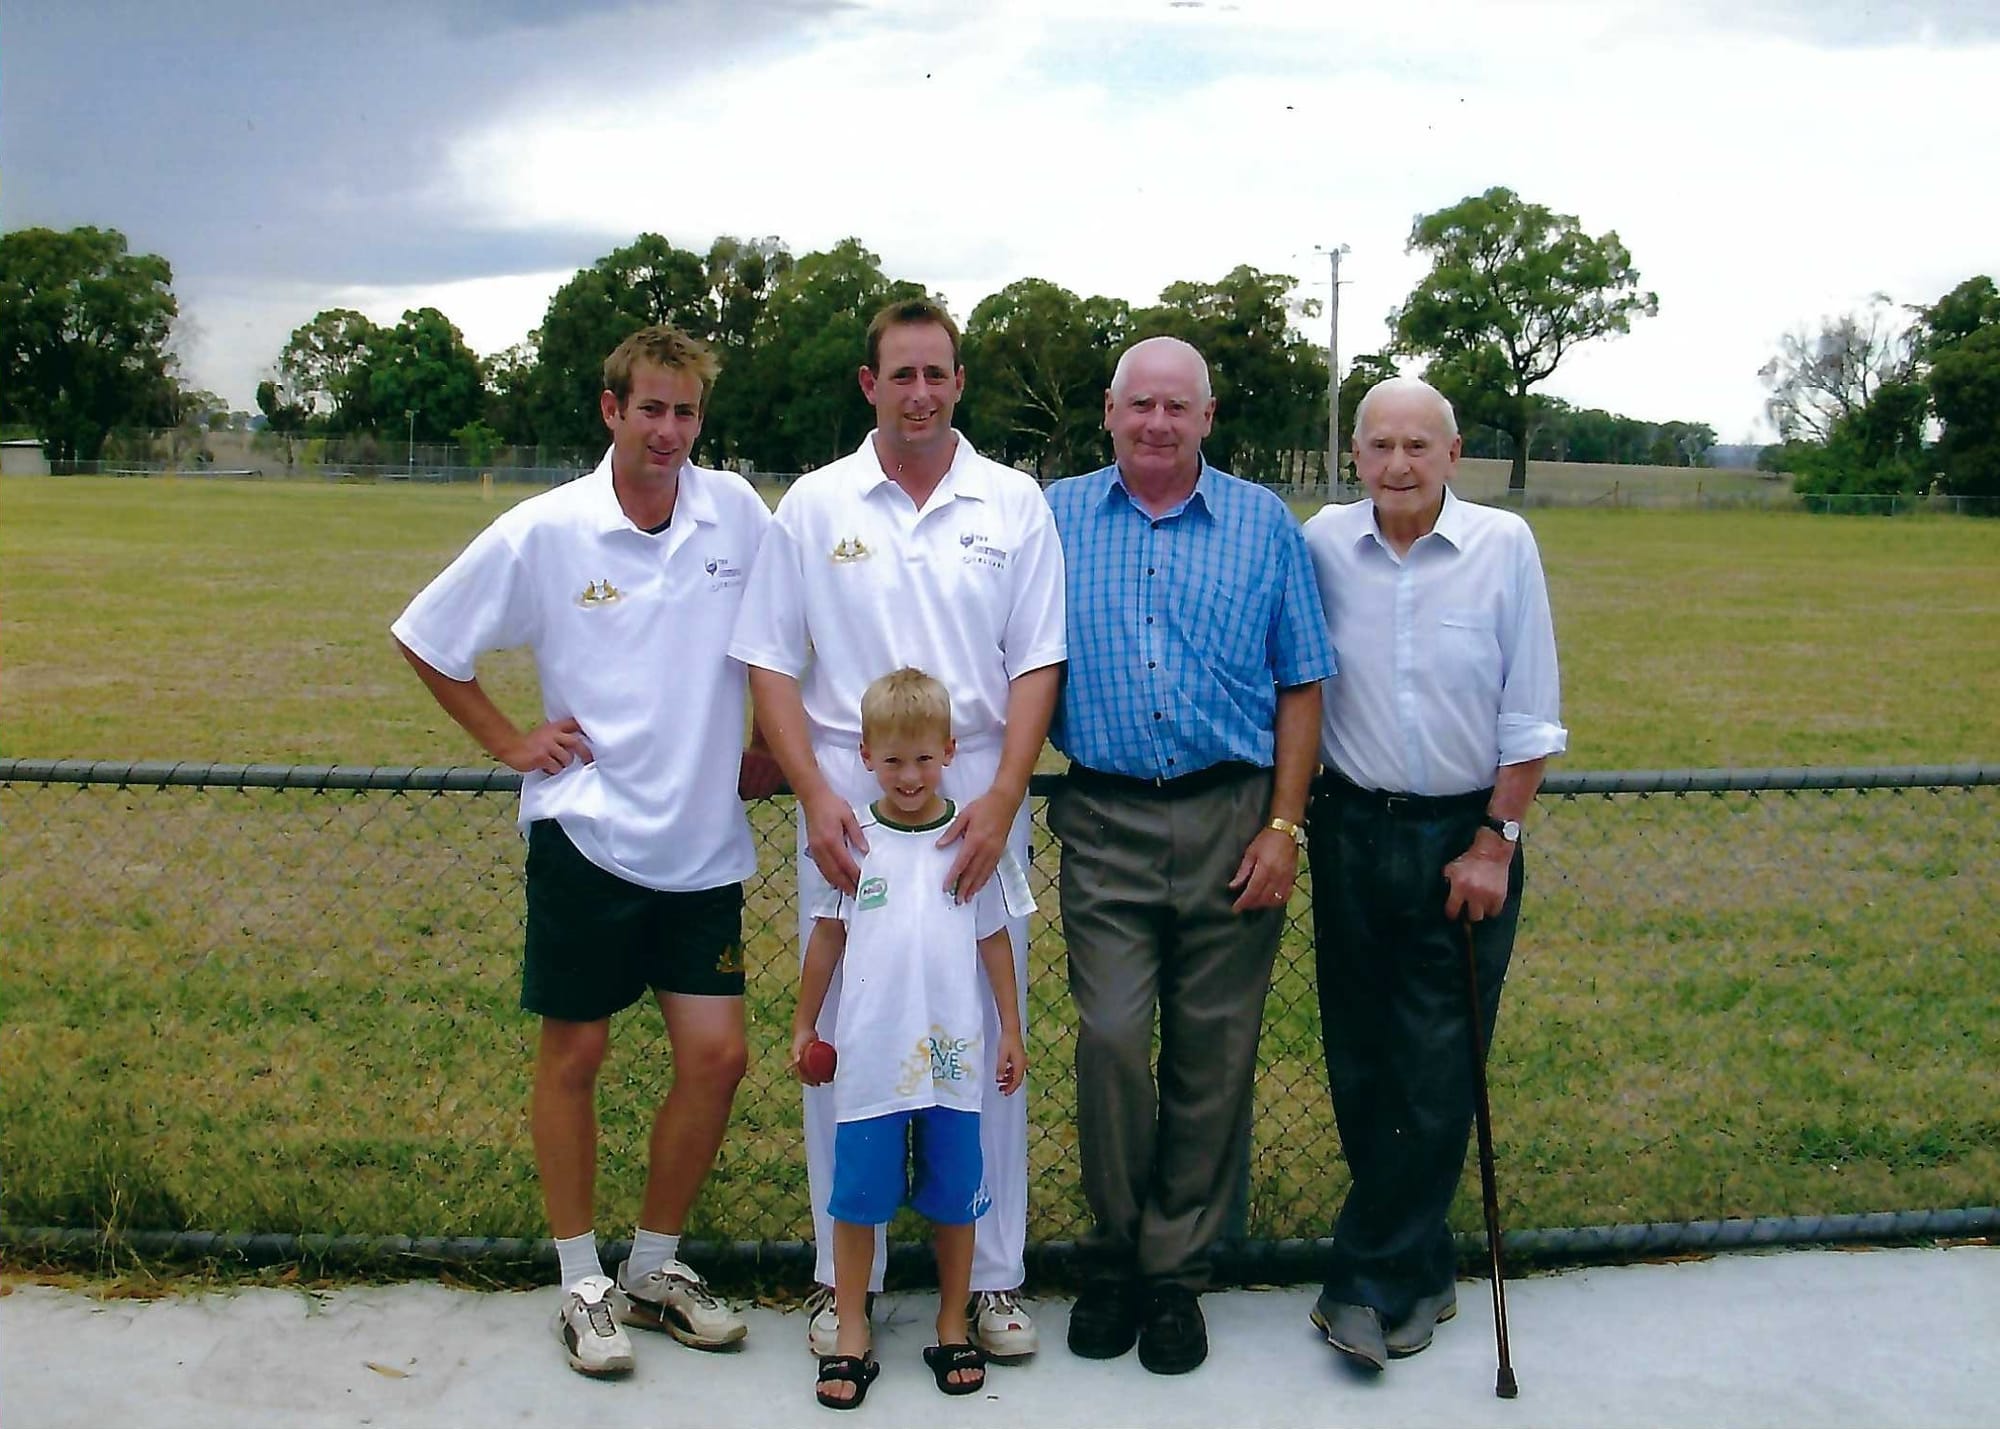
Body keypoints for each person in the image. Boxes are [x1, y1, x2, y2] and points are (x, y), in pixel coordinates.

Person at [391, 325, 779, 1379]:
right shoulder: (547, 530)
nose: (667, 430)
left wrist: (766, 746)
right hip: (588, 834)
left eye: (685, 411)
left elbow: (785, 633)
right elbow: (428, 636)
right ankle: (580, 1283)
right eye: (649, 408)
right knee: (576, 1056)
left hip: (702, 846)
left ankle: (653, 1269)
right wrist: (512, 741)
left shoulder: (734, 511)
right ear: (610, 410)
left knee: (718, 1058)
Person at [730, 297, 1065, 1359]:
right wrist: (814, 791)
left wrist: (1005, 793)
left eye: (938, 374)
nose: (919, 393)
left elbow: (1037, 659)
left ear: (958, 383)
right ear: (868, 385)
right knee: (847, 1033)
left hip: (973, 798)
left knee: (978, 1037)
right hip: (848, 801)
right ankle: (842, 1283)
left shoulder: (1012, 503)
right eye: (900, 375)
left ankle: (995, 1278)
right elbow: (770, 660)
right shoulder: (815, 505)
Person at [1042, 335, 1335, 1375]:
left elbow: (1301, 680)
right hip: (1106, 818)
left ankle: (1174, 1274)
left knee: (1213, 1054)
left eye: (1178, 406)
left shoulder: (1261, 524)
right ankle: (1113, 1253)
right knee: (1112, 1037)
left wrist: (1282, 826)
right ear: (1110, 414)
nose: (1156, 423)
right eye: (1139, 405)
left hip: (1230, 814)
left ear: (1207, 418)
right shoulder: (1055, 515)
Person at [1299, 375, 1566, 1371]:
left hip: (1464, 837)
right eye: (1378, 446)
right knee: (1360, 1058)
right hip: (1351, 826)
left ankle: (1363, 1284)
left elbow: (1530, 709)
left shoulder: (1503, 548)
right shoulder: (1322, 542)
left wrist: (1496, 839)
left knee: (1436, 1060)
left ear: (1454, 455)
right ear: (1355, 456)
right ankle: (1421, 1267)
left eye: (1418, 445)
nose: (1397, 465)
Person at [790, 667, 1032, 1408]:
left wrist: (1010, 1030)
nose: (908, 774)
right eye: (892, 760)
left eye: (924, 758)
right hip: (870, 1057)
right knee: (858, 1199)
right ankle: (854, 1328)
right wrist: (805, 1022)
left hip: (952, 1056)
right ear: (864, 755)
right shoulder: (853, 842)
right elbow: (827, 938)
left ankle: (952, 1322)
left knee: (956, 1200)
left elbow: (994, 941)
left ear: (951, 751)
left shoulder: (971, 841)